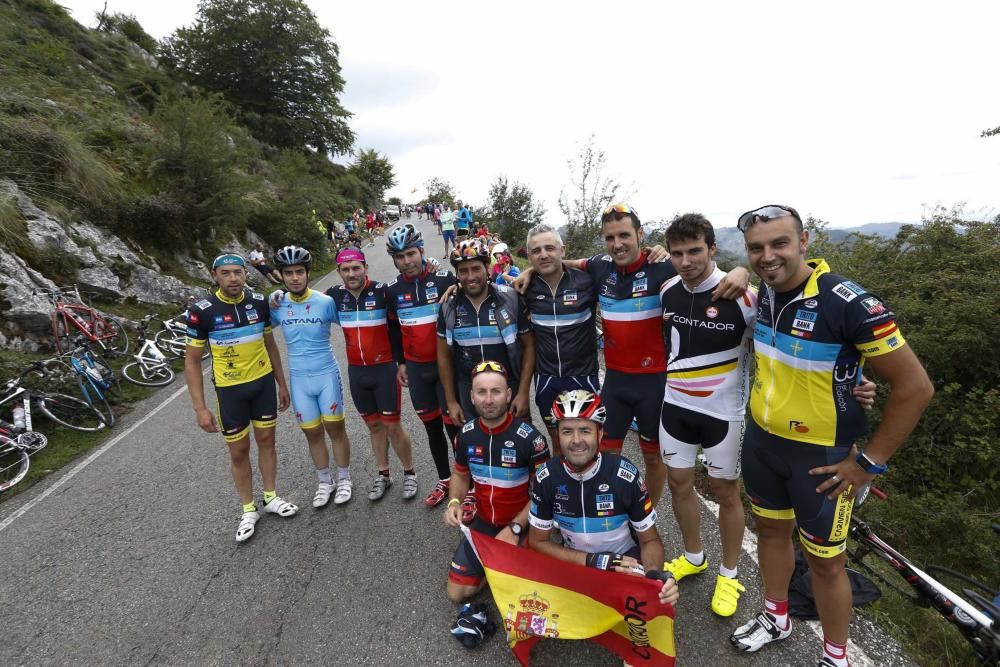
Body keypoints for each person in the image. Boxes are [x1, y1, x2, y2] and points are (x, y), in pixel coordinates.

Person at [728, 205, 933, 667]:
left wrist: (868, 463)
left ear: (804, 241)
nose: (767, 255)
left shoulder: (848, 302)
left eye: (779, 243)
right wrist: (740, 271)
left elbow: (916, 388)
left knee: (825, 563)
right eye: (755, 248)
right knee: (771, 536)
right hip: (763, 444)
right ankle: (775, 617)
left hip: (821, 458)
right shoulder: (762, 294)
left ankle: (835, 657)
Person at [515, 204, 749, 507]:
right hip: (615, 383)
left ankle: (644, 514)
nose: (617, 244)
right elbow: (561, 262)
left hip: (654, 385)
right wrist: (532, 267)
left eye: (624, 235)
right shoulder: (600, 267)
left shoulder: (664, 266)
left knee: (653, 458)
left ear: (640, 234)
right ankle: (607, 511)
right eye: (610, 238)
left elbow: (705, 273)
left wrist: (741, 272)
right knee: (602, 454)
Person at [527, 390, 679, 606]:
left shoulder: (624, 476)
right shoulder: (546, 477)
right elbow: (537, 541)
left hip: (623, 561)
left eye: (585, 431)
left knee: (648, 604)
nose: (576, 440)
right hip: (577, 560)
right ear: (557, 436)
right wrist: (592, 561)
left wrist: (654, 575)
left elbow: (650, 540)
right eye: (567, 431)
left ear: (599, 434)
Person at [184, 253, 297, 542]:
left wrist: (281, 384)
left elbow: (271, 345)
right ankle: (249, 509)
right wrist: (200, 407)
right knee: (239, 451)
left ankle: (270, 496)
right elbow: (192, 361)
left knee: (267, 442)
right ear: (215, 275)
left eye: (238, 272)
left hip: (261, 386)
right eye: (226, 273)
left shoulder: (259, 303)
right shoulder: (202, 311)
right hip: (230, 391)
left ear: (246, 274)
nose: (233, 278)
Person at [442, 361, 549, 602]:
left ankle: (505, 568)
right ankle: (497, 570)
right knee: (457, 593)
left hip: (523, 527)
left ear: (508, 394)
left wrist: (515, 528)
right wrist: (455, 501)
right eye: (482, 392)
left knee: (530, 596)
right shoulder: (466, 434)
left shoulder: (531, 440)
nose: (489, 400)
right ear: (471, 397)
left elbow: (544, 497)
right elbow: (460, 474)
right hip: (483, 525)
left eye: (496, 391)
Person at [326, 247, 419, 502]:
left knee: (392, 425)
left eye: (356, 267)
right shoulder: (334, 296)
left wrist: (430, 265)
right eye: (345, 269)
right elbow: (304, 302)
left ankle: (410, 473)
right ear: (339, 272)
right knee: (374, 426)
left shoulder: (382, 291)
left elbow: (411, 288)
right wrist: (278, 296)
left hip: (384, 369)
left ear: (366, 267)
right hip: (357, 372)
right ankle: (383, 474)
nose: (351, 273)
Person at [268, 245, 354, 508]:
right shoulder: (277, 305)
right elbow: (258, 332)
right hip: (299, 380)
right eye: (288, 273)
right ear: (281, 276)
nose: (295, 278)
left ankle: (344, 478)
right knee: (312, 432)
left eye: (299, 272)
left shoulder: (325, 302)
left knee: (335, 428)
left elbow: (355, 320)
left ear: (307, 273)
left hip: (326, 373)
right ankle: (324, 481)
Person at [384, 224, 462, 507]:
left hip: (445, 368)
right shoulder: (392, 290)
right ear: (394, 259)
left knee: (454, 428)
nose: (407, 261)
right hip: (417, 371)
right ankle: (445, 480)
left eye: (411, 254)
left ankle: (469, 484)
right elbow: (393, 328)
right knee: (431, 429)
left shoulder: (444, 280)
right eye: (400, 256)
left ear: (421, 251)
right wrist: (401, 362)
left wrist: (456, 282)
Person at [437, 238, 535, 424]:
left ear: (487, 269)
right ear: (456, 274)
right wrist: (451, 401)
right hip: (468, 390)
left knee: (517, 447)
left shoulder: (511, 298)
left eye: (475, 269)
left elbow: (529, 346)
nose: (470, 276)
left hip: (509, 387)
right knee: (477, 449)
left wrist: (523, 393)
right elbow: (443, 356)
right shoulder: (448, 306)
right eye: (463, 271)